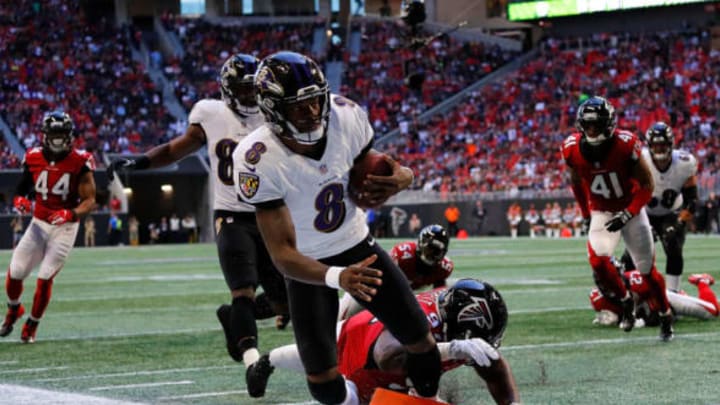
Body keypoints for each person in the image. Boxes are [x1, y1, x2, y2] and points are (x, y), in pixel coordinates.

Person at [234, 51, 442, 404]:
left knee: (422, 344)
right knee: (323, 381)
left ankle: (423, 402)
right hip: (308, 264)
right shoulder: (256, 158)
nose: (313, 112)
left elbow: (376, 167)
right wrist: (337, 277)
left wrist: (403, 177)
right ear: (272, 109)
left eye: (315, 101)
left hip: (357, 245)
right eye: (299, 107)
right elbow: (283, 255)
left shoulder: (346, 115)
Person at [107, 53, 289, 370]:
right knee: (243, 288)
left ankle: (232, 318)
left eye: (252, 88)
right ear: (228, 89)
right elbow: (176, 148)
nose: (248, 95)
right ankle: (251, 363)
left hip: (269, 212)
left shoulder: (272, 114)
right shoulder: (211, 113)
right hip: (231, 213)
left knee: (284, 300)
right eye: (242, 89)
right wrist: (141, 161)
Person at [247, 279, 520, 404]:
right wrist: (452, 349)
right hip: (355, 349)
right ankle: (266, 361)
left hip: (378, 366)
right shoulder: (428, 321)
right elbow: (388, 356)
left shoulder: (454, 322)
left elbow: (494, 368)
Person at [561, 96, 674, 341]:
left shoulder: (625, 144)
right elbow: (576, 182)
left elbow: (646, 184)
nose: (591, 129)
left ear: (609, 123)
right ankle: (625, 303)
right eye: (587, 124)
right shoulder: (571, 148)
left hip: (630, 210)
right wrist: (585, 214)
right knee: (598, 262)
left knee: (646, 271)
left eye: (596, 124)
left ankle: (665, 315)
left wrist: (628, 213)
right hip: (602, 211)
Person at [0, 111, 96, 343]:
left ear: (70, 136)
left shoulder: (80, 162)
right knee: (15, 273)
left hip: (64, 227)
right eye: (54, 134)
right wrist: (19, 200)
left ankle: (32, 323)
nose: (57, 139)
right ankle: (14, 309)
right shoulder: (33, 157)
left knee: (44, 278)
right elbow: (21, 189)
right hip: (38, 223)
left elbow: (90, 200)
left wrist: (70, 212)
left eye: (62, 134)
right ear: (44, 135)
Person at [619, 122, 698, 292]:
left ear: (670, 144)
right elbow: (628, 193)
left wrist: (680, 222)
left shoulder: (685, 163)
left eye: (663, 144)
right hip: (643, 212)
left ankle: (673, 293)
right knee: (632, 256)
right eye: (656, 145)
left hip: (671, 212)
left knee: (673, 244)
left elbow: (692, 200)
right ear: (649, 145)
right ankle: (629, 295)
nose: (660, 149)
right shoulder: (640, 161)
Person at [338, 224, 454, 321]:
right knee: (343, 318)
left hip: (396, 297)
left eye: (437, 251)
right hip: (369, 287)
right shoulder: (404, 255)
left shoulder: (443, 268)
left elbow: (438, 295)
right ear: (421, 243)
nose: (432, 254)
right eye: (430, 248)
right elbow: (384, 277)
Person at [590, 260, 718, 327]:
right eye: (605, 281)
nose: (611, 286)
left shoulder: (638, 281)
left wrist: (650, 314)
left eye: (614, 280)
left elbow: (659, 290)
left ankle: (702, 282)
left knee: (712, 311)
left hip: (659, 297)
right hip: (644, 306)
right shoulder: (598, 299)